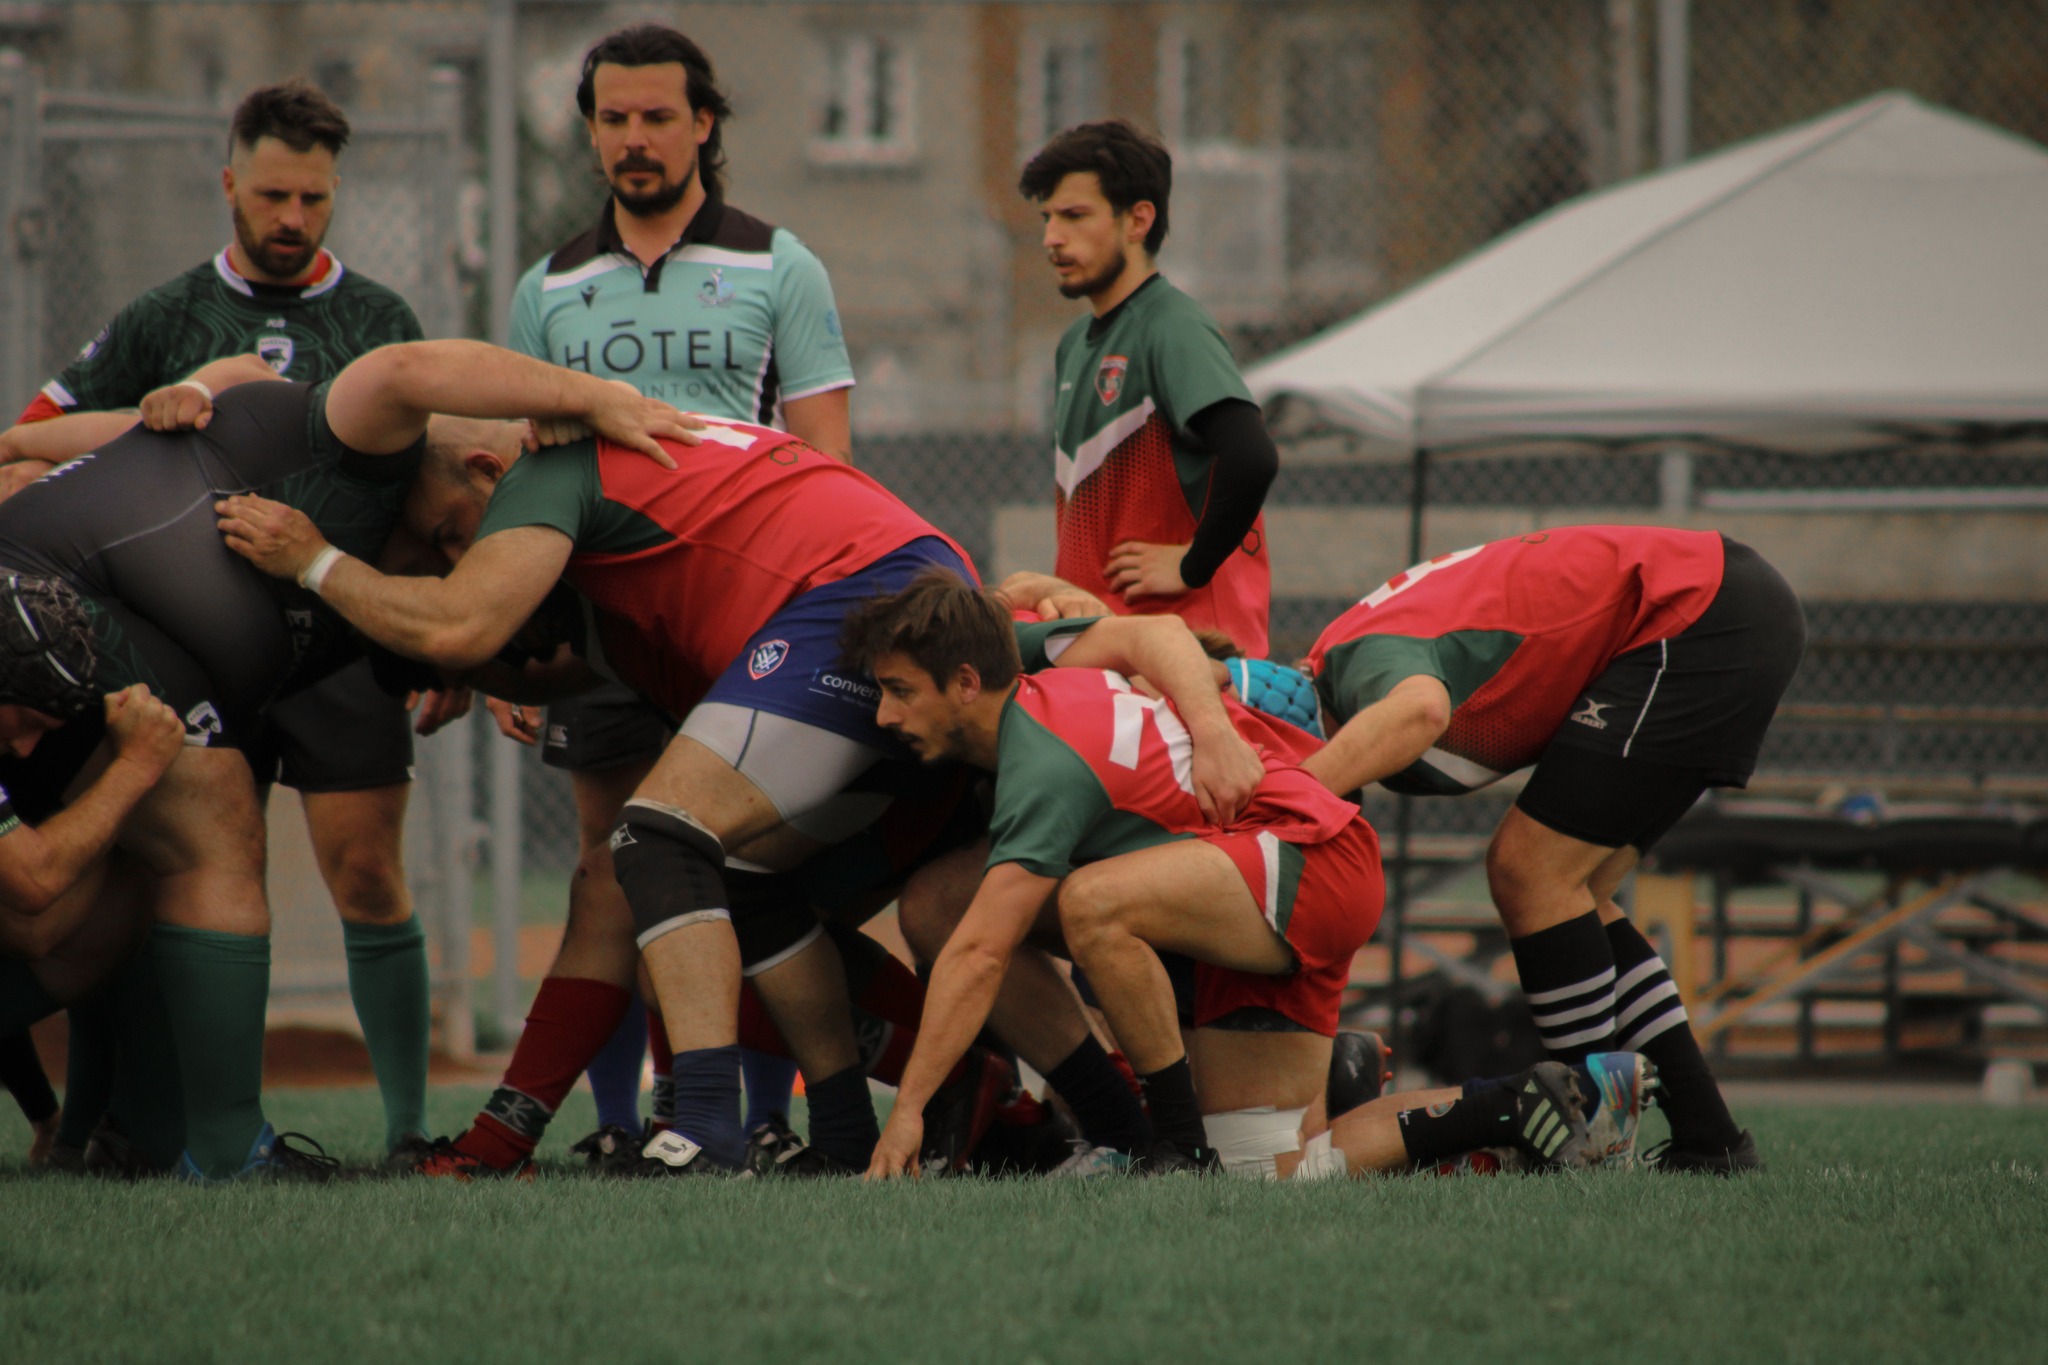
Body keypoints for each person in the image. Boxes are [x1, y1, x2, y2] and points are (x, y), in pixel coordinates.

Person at [217, 408, 1266, 1179]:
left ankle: (707, 1125)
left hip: (854, 605)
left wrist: (315, 563)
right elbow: (488, 643)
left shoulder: (547, 478)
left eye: (452, 535)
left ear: (490, 462)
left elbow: (459, 613)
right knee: (750, 892)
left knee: (659, 841)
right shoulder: (623, 548)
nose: (467, 560)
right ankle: (1017, 1124)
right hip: (859, 600)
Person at [0, 341, 691, 1181]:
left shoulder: (396, 565)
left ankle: (128, 1136)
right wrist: (595, 395)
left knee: (94, 920)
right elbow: (398, 373)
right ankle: (225, 1152)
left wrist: (478, 656)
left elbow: (451, 625)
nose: (460, 565)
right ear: (480, 468)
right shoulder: (365, 441)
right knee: (210, 813)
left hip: (119, 652)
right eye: (458, 538)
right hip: (43, 610)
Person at [835, 571, 1641, 1180]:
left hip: (1306, 855)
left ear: (967, 682)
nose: (883, 715)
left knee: (1094, 907)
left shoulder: (1042, 762)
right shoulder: (1025, 665)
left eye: (899, 692)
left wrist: (903, 1116)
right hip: (1252, 861)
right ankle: (1500, 1102)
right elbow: (1145, 632)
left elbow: (981, 953)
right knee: (944, 900)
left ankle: (1176, 1148)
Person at [0, 81, 439, 1161]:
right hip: (174, 631)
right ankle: (114, 1123)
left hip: (332, 629)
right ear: (230, 180)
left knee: (368, 868)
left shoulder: (381, 321)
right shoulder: (164, 316)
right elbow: (30, 440)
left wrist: (432, 635)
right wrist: (164, 403)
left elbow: (428, 494)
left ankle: (409, 1131)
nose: (292, 218)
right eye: (274, 193)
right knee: (172, 852)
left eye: (315, 199)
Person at [501, 23, 859, 1148]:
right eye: (613, 119)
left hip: (742, 623)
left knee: (731, 864)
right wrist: (515, 637)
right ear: (590, 130)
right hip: (605, 630)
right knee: (609, 872)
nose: (634, 140)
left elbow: (829, 469)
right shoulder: (548, 287)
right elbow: (528, 479)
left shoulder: (778, 264)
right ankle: (620, 1125)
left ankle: (755, 1121)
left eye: (658, 117)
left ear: (704, 123)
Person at [1297, 526, 1805, 1173]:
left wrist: (1292, 794)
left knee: (1528, 869)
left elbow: (1417, 711)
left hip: (1696, 611)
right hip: (1714, 606)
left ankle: (1589, 1134)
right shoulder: (1348, 655)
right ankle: (1710, 1138)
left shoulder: (1353, 661)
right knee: (1572, 892)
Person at [1019, 120, 1279, 658]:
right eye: (1047, 218)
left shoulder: (1171, 326)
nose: (1051, 237)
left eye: (1074, 215)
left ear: (1138, 220)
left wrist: (1191, 564)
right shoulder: (1074, 343)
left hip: (1189, 653)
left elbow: (1252, 456)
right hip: (1111, 646)